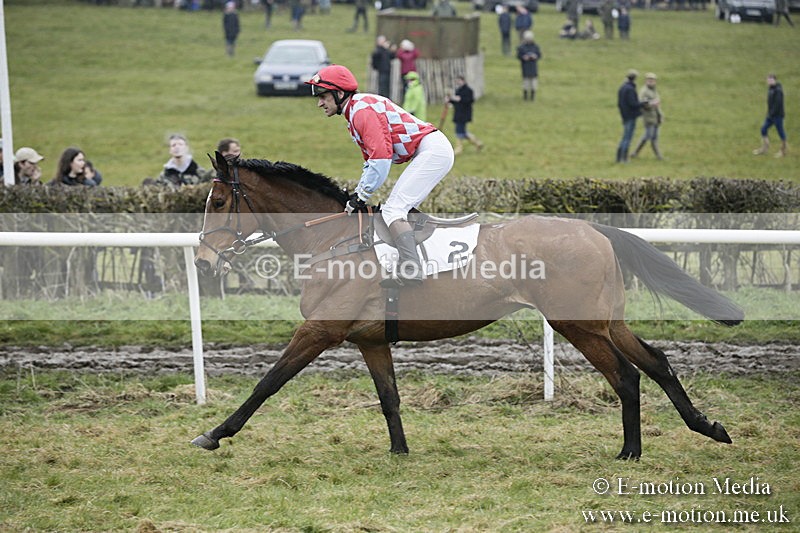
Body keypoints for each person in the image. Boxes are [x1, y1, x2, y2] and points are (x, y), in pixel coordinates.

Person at [306, 65, 454, 287]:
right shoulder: (355, 111)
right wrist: (359, 193)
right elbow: (372, 162)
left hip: (433, 151)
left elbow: (380, 160)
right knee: (394, 208)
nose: (319, 103)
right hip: (428, 150)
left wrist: (360, 197)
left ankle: (412, 270)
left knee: (394, 209)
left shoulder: (362, 112)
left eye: (323, 96)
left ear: (339, 93)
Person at [753, 73, 788, 158]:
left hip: (777, 116)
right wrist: (769, 113)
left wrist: (772, 114)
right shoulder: (771, 89)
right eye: (768, 80)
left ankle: (783, 151)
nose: (769, 82)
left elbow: (778, 104)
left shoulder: (778, 91)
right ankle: (765, 148)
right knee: (763, 129)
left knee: (781, 132)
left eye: (771, 80)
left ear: (775, 80)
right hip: (771, 115)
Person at [448, 75, 483, 155]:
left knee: (459, 131)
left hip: (464, 114)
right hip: (458, 113)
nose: (458, 82)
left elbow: (470, 100)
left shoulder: (468, 90)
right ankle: (477, 143)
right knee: (462, 131)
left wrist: (460, 99)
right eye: (457, 81)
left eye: (459, 80)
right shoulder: (458, 90)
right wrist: (450, 100)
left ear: (463, 81)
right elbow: (456, 101)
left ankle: (459, 148)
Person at [631, 72, 663, 160]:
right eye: (649, 80)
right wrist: (652, 104)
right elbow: (642, 104)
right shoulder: (644, 91)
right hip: (648, 117)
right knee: (647, 136)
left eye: (652, 80)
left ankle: (658, 156)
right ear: (646, 81)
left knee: (654, 137)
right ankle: (635, 152)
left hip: (656, 117)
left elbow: (657, 104)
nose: (650, 82)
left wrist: (660, 115)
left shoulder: (654, 90)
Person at [616, 69, 643, 163]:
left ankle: (618, 157)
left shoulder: (622, 88)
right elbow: (633, 103)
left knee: (624, 137)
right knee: (627, 137)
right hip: (630, 116)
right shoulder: (630, 89)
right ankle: (624, 158)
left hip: (624, 115)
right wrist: (643, 104)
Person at [516, 30, 542, 102]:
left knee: (534, 83)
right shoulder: (521, 47)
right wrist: (523, 57)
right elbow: (518, 56)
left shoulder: (535, 47)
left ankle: (532, 97)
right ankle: (525, 97)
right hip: (525, 67)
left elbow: (539, 55)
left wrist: (535, 56)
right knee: (526, 83)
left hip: (533, 67)